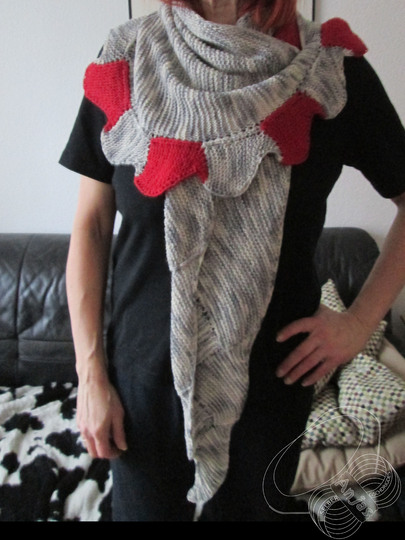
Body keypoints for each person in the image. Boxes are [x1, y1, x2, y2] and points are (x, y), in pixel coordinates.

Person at [60, 0, 405, 522]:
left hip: (271, 392)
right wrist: (90, 373)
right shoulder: (127, 57)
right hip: (140, 389)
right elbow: (90, 226)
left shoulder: (328, 70)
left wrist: (359, 324)